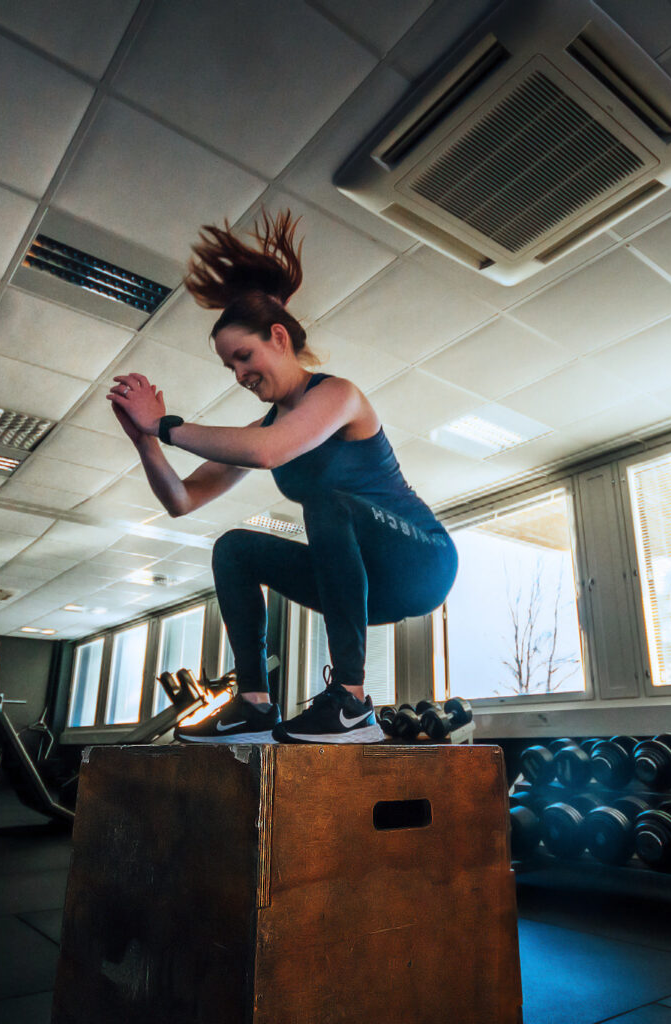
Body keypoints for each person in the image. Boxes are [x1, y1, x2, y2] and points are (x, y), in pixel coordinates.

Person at [106, 210, 458, 743]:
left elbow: (269, 453)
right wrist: (145, 441)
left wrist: (165, 424)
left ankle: (351, 704)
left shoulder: (338, 395)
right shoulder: (265, 427)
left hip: (421, 559)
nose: (240, 375)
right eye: (230, 367)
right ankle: (254, 705)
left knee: (327, 500)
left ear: (278, 337)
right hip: (359, 583)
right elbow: (182, 499)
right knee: (234, 549)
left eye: (244, 357)